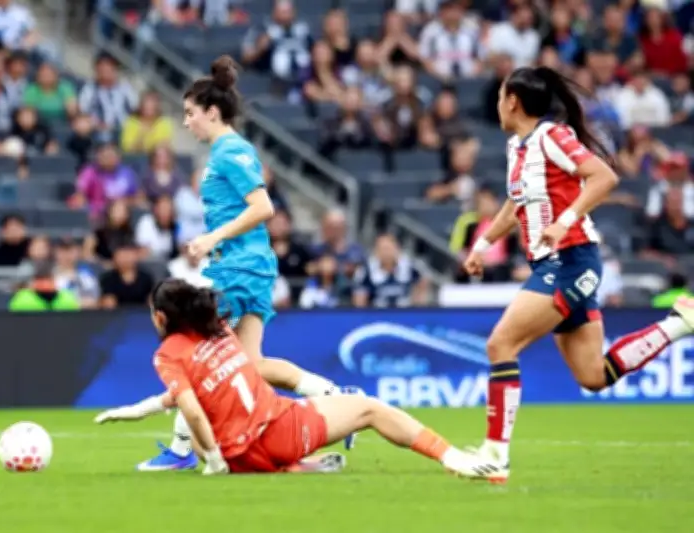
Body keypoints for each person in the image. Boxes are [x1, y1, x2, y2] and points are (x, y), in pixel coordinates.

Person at [455, 66, 694, 483]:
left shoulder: (552, 136)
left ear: (513, 101)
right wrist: (482, 245)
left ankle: (495, 454)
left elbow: (604, 177)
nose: (497, 105)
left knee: (501, 344)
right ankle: (679, 325)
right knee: (593, 376)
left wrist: (564, 221)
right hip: (555, 263)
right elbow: (515, 204)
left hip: (569, 261)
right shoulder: (517, 147)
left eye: (500, 97)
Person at [137, 56, 350, 472]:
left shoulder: (230, 152)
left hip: (238, 268)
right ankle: (331, 396)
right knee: (250, 364)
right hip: (248, 266)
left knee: (198, 349)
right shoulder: (229, 151)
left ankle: (181, 450)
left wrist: (212, 238)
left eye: (190, 113)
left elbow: (263, 206)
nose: (186, 122)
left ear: (212, 112)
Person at [94, 279, 489, 476]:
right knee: (369, 409)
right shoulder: (221, 330)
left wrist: (213, 461)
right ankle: (452, 457)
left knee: (199, 413)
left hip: (238, 457)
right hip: (280, 432)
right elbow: (192, 408)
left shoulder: (168, 354)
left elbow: (191, 409)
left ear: (161, 318)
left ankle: (296, 465)